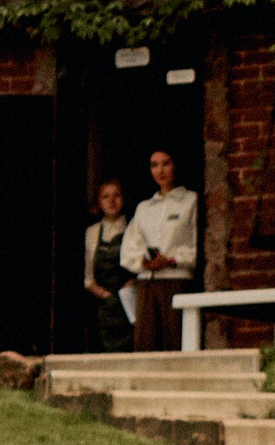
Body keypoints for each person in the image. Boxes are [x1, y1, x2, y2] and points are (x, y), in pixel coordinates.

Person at [119, 147, 198, 352]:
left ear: (176, 165)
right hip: (147, 283)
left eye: (166, 163)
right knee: (146, 344)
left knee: (176, 342)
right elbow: (130, 247)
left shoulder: (191, 201)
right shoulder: (144, 208)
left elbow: (197, 243)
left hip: (176, 280)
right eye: (154, 165)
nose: (160, 171)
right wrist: (143, 262)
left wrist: (172, 259)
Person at [82, 177, 133, 348]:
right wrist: (106, 296)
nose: (111, 201)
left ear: (124, 198)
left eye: (116, 195)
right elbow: (88, 277)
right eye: (105, 196)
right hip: (103, 306)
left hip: (130, 304)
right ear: (99, 201)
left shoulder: (133, 227)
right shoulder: (92, 232)